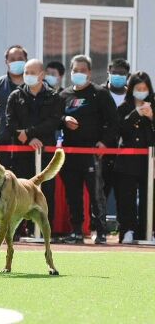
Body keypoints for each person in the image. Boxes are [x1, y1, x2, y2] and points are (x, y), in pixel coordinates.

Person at [59, 55, 118, 244]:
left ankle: (100, 232)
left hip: (92, 154)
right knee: (73, 194)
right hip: (70, 154)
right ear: (70, 72)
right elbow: (55, 119)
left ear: (90, 72)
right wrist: (64, 120)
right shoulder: (63, 95)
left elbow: (114, 122)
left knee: (96, 194)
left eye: (83, 70)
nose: (79, 74)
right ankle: (76, 231)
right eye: (75, 70)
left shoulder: (100, 94)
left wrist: (104, 142)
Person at [6, 59, 63, 234]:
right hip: (23, 153)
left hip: (45, 152)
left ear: (41, 75)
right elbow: (10, 122)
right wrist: (27, 139)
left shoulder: (54, 97)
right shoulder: (16, 96)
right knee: (20, 192)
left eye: (32, 72)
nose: (28, 76)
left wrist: (29, 133)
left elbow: (53, 122)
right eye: (26, 72)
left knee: (45, 192)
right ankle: (18, 230)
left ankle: (44, 230)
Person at [114, 71, 154, 243]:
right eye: (138, 88)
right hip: (127, 161)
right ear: (131, 89)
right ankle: (127, 230)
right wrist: (136, 113)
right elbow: (120, 129)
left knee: (149, 197)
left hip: (149, 161)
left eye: (144, 88)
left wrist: (151, 116)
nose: (141, 91)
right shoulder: (124, 107)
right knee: (126, 197)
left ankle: (148, 231)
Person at [0, 45, 27, 170]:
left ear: (26, 60)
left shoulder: (36, 86)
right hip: (1, 144)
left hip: (27, 145)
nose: (16, 61)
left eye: (20, 58)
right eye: (12, 59)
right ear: (6, 62)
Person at [102, 59, 131, 210]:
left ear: (128, 75)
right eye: (114, 73)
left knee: (124, 195)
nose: (118, 76)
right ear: (109, 72)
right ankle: (96, 229)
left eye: (122, 74)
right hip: (102, 152)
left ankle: (125, 229)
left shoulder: (132, 98)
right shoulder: (99, 93)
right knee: (100, 194)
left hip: (126, 154)